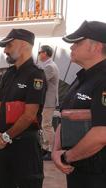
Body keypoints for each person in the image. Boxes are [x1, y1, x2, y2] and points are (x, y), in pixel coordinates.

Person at [52, 20, 106, 188]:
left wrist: (67, 157)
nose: (71, 47)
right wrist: (56, 151)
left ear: (96, 46)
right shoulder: (82, 77)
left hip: (98, 175)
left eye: (77, 43)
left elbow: (101, 134)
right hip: (77, 169)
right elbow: (65, 117)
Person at [0, 29, 47, 188]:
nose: (5, 50)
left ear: (23, 45)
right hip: (3, 145)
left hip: (25, 146)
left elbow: (29, 116)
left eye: (9, 45)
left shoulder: (36, 75)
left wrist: (5, 137)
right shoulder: (9, 73)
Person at [37, 45, 59, 160]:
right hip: (46, 101)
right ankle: (46, 148)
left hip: (48, 101)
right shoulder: (47, 65)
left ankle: (52, 150)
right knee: (44, 125)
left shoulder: (50, 66)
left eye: (39, 52)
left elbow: (40, 82)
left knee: (46, 125)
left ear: (45, 53)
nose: (38, 54)